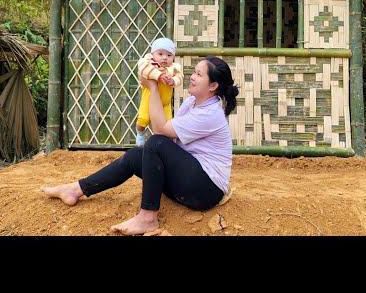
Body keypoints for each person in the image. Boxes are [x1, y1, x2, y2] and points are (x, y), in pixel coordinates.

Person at [42, 56, 239, 235]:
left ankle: (147, 217)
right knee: (138, 155)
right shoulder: (190, 103)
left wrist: (152, 88)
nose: (192, 77)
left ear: (213, 85)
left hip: (206, 190)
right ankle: (76, 190)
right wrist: (153, 85)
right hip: (188, 183)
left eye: (198, 74)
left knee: (154, 143)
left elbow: (160, 131)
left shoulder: (211, 113)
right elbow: (168, 137)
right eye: (194, 72)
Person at [135, 37, 183, 147]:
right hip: (149, 100)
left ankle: (165, 144)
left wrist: (174, 81)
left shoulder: (174, 68)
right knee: (143, 120)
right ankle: (140, 133)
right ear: (153, 54)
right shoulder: (148, 63)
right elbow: (143, 70)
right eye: (160, 54)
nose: (164, 58)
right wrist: (159, 75)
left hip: (165, 103)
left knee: (167, 126)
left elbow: (180, 77)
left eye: (169, 55)